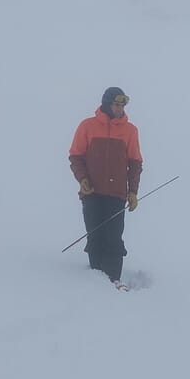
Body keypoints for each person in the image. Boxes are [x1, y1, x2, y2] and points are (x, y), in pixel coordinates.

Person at [69, 86, 143, 291]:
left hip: (116, 194)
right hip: (91, 192)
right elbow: (75, 156)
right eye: (116, 105)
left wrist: (133, 191)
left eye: (122, 105)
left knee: (113, 236)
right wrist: (82, 179)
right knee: (95, 234)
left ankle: (114, 278)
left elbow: (135, 163)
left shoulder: (130, 131)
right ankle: (96, 277)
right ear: (106, 104)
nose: (119, 109)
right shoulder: (87, 126)